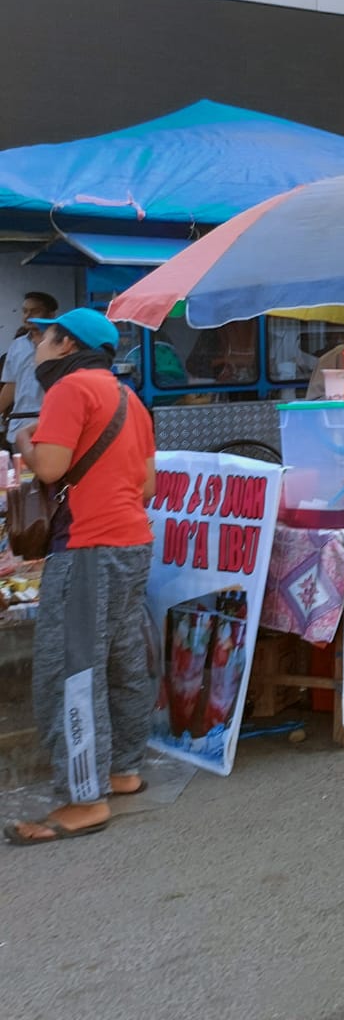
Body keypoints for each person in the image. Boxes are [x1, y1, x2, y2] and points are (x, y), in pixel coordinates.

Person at [5, 309, 156, 845]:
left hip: (88, 546)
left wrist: (26, 439)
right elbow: (145, 488)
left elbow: (48, 468)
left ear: (66, 344)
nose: (36, 347)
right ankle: (123, 770)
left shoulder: (70, 391)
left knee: (69, 671)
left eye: (42, 337)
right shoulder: (130, 399)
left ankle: (83, 799)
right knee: (123, 660)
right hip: (132, 541)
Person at [0, 291, 58, 446]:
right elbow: (11, 385)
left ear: (51, 314)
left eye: (34, 311)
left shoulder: (62, 344)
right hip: (19, 428)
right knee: (21, 470)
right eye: (25, 311)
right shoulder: (17, 346)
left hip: (52, 426)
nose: (27, 316)